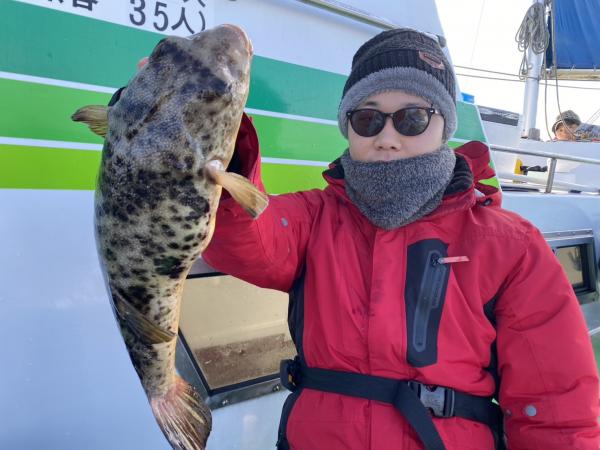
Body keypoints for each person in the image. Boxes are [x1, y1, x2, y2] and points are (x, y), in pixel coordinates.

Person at [202, 29, 600, 449]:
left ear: (445, 126)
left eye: (413, 118)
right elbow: (244, 236)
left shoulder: (511, 245)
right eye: (367, 119)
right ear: (348, 127)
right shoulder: (314, 217)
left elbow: (557, 409)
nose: (387, 138)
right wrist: (214, 143)